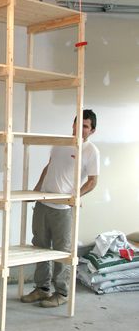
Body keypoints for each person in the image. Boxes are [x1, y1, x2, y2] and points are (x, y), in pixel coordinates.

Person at [21, 109, 100, 308]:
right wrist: (37, 190)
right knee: (39, 248)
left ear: (92, 131)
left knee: (61, 252)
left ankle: (62, 293)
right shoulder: (60, 143)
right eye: (77, 124)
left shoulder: (91, 151)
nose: (80, 128)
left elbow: (92, 181)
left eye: (85, 126)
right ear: (72, 125)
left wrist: (75, 196)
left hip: (63, 210)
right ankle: (42, 288)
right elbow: (49, 166)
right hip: (43, 204)